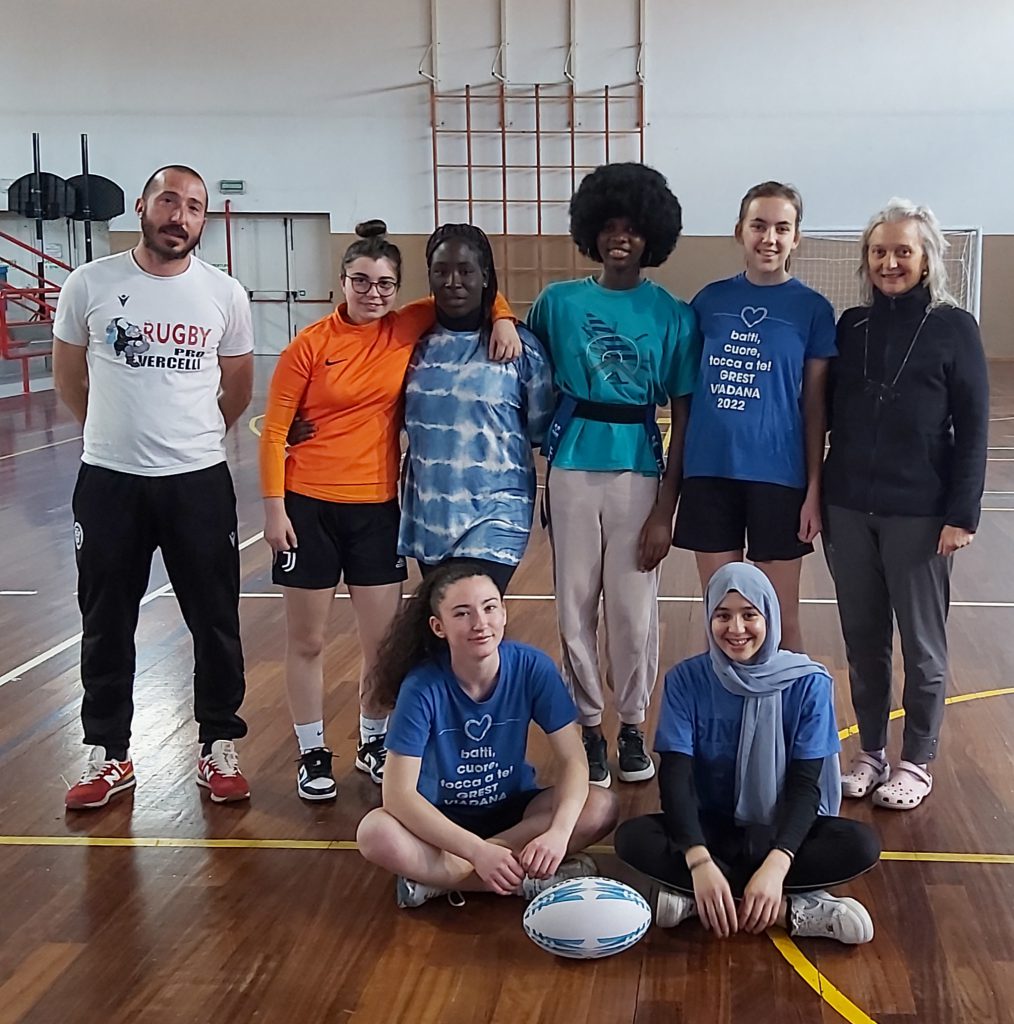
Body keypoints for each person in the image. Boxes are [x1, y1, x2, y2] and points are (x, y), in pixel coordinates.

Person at [259, 221, 520, 801]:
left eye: (384, 284)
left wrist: (502, 316)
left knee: (382, 645)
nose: (372, 293)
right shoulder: (309, 345)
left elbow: (476, 289)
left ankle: (373, 740)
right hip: (308, 507)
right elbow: (274, 431)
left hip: (377, 509)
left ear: (399, 289)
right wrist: (275, 509)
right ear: (342, 281)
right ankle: (311, 750)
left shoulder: (406, 325)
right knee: (308, 640)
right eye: (361, 281)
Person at [52, 165, 255, 809]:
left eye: (194, 206)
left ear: (202, 220)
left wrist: (192, 440)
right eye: (169, 201)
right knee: (105, 620)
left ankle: (218, 743)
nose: (180, 216)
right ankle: (107, 751)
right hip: (109, 483)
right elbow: (69, 377)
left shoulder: (224, 294)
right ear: (141, 206)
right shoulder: (89, 283)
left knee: (215, 620)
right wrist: (111, 436)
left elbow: (238, 387)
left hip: (198, 484)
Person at [526, 162, 702, 788]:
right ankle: (587, 726)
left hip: (639, 472)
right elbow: (521, 374)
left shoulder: (673, 315)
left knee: (633, 610)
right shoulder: (557, 304)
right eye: (608, 226)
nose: (619, 237)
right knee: (573, 606)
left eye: (632, 227)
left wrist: (665, 511)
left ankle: (630, 723)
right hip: (571, 468)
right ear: (590, 230)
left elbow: (684, 415)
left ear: (652, 235)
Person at [615, 563, 880, 944]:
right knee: (633, 838)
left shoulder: (808, 682)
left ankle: (701, 901)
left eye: (749, 615)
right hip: (713, 828)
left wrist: (778, 864)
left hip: (780, 829)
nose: (736, 629)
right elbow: (676, 779)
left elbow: (806, 787)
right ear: (709, 618)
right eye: (723, 615)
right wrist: (699, 861)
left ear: (769, 616)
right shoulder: (686, 680)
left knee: (860, 845)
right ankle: (790, 909)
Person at [824, 199, 989, 810]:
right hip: (848, 509)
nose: (889, 262)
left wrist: (962, 514)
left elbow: (973, 427)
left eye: (903, 251)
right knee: (863, 642)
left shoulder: (954, 327)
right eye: (879, 251)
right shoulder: (852, 326)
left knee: (923, 648)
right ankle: (870, 752)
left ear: (926, 258)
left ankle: (916, 760)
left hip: (920, 514)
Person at [356, 563, 619, 908]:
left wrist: (558, 833)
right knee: (374, 833)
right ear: (438, 627)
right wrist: (476, 851)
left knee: (600, 806)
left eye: (489, 607)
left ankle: (438, 881)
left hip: (513, 811)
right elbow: (398, 796)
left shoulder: (532, 667)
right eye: (462, 613)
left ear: (504, 613)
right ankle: (521, 882)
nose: (480, 623)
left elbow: (574, 761)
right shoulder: (421, 687)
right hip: (441, 822)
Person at [673, 182, 837, 652]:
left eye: (782, 228)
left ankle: (792, 702)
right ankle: (724, 703)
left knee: (780, 619)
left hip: (779, 478)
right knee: (723, 618)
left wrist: (813, 489)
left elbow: (815, 408)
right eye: (759, 226)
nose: (770, 238)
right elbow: (685, 395)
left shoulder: (812, 309)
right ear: (739, 231)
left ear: (796, 237)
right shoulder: (708, 302)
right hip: (710, 473)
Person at [399, 224, 554, 594]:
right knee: (445, 619)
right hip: (430, 511)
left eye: (466, 271)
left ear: (485, 277)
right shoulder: (409, 345)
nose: (453, 282)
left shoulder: (521, 348)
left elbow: (541, 425)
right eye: (441, 271)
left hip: (498, 511)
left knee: (475, 610)